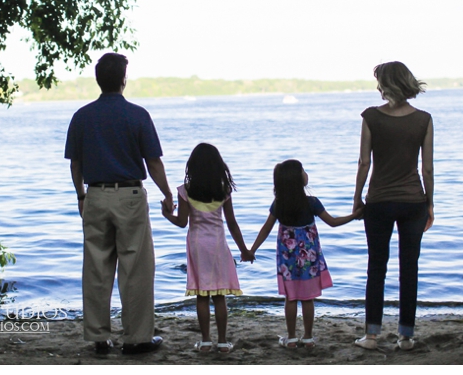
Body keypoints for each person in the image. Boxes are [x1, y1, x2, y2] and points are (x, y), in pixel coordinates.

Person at [64, 52, 173, 356]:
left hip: (95, 195)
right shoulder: (137, 115)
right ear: (124, 80)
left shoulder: (82, 116)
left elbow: (75, 164)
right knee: (135, 269)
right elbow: (153, 161)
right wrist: (167, 193)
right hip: (130, 196)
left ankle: (99, 337)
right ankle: (136, 338)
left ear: (98, 80)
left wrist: (81, 196)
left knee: (96, 269)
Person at [352, 61, 434, 351]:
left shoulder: (371, 117)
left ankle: (371, 336)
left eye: (379, 81)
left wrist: (357, 197)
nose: (377, 87)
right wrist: (430, 204)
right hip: (414, 202)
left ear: (387, 84)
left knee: (377, 267)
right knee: (409, 268)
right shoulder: (424, 119)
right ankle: (407, 336)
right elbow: (427, 169)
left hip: (379, 202)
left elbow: (364, 162)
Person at [249, 159, 361, 349]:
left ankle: (291, 337)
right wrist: (354, 215)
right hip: (308, 257)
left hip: (287, 259)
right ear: (298, 179)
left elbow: (266, 229)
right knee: (308, 298)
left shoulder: (278, 204)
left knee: (291, 297)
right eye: (303, 171)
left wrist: (252, 250)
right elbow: (332, 222)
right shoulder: (312, 203)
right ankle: (308, 337)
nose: (306, 174)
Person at [162, 143, 252, 353]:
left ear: (192, 166)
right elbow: (231, 223)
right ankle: (222, 342)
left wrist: (167, 214)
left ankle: (204, 341)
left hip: (197, 246)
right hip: (218, 245)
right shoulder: (223, 190)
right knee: (219, 295)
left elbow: (182, 222)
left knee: (202, 295)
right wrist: (244, 249)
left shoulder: (186, 190)